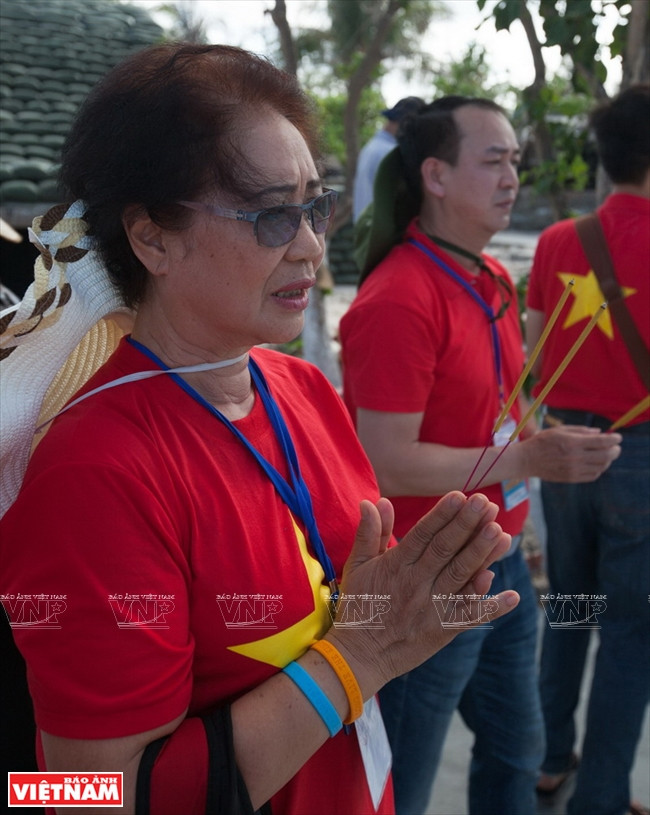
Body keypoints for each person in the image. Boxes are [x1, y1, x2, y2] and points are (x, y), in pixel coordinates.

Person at [0, 44, 522, 815]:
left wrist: (391, 617)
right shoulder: (96, 468)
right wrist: (359, 657)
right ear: (152, 238)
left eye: (315, 205)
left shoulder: (302, 388)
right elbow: (87, 794)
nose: (310, 245)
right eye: (272, 214)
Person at [339, 96, 622, 815]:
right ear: (434, 175)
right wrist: (530, 461)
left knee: (517, 750)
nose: (512, 176)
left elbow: (495, 409)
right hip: (422, 573)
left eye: (515, 161)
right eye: (493, 159)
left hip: (494, 557)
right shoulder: (400, 297)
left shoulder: (490, 275)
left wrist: (538, 440)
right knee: (402, 777)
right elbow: (387, 461)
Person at [527, 84, 650, 815]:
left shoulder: (556, 243)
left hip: (562, 447)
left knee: (568, 605)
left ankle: (546, 758)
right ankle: (599, 796)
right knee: (632, 630)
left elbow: (535, 351)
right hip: (640, 456)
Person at [352, 96, 424, 222]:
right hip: (380, 232)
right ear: (407, 123)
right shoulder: (391, 152)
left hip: (366, 231)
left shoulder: (372, 147)